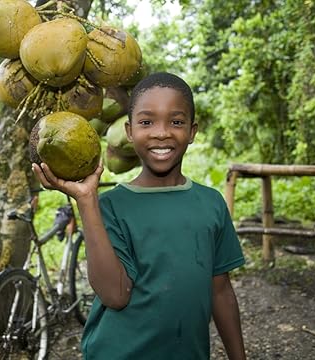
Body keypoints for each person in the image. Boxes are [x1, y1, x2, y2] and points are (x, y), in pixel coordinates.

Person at [32, 72, 246, 359]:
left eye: (176, 122)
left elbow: (220, 292)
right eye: (147, 122)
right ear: (129, 131)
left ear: (192, 131)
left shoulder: (211, 204)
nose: (161, 132)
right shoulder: (108, 206)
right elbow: (115, 295)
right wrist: (86, 201)